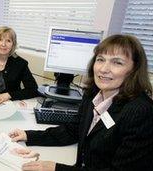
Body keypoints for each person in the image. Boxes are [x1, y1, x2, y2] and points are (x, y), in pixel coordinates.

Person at [9, 34, 153, 170]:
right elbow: (73, 130)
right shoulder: (92, 95)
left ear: (134, 70)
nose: (103, 69)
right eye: (100, 59)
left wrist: (56, 168)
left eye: (117, 62)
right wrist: (29, 135)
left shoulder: (141, 112)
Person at [0, 26, 38, 104]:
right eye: (0, 40)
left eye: (8, 41)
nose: (3, 44)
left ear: (13, 44)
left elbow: (33, 89)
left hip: (10, 104)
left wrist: (8, 95)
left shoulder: (20, 64)